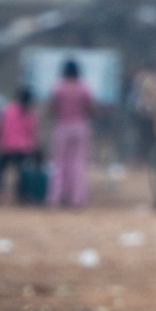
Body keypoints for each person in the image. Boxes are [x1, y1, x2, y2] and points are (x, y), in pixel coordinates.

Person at [47, 59, 94, 209]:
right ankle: (77, 199)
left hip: (63, 126)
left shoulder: (58, 88)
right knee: (78, 163)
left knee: (60, 163)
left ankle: (55, 198)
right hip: (80, 126)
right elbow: (90, 109)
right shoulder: (84, 88)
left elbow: (53, 108)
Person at [0, 86, 42, 204]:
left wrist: (0, 142)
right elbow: (32, 134)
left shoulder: (8, 110)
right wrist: (34, 148)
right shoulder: (31, 114)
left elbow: (1, 127)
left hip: (6, 146)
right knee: (21, 173)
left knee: (0, 171)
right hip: (22, 149)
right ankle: (21, 197)